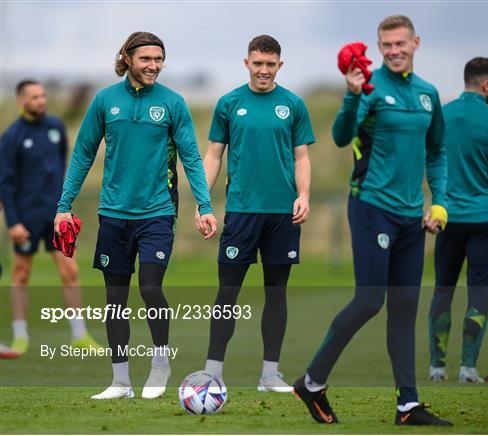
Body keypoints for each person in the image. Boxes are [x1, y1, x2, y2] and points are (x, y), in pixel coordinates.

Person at [293, 15, 452, 425]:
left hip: (411, 218)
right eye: (387, 45)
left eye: (401, 43)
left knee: (404, 309)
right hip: (371, 208)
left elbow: (437, 153)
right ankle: (311, 382)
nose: (394, 51)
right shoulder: (368, 88)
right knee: (369, 300)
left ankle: (407, 405)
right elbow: (342, 136)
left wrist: (440, 204)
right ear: (379, 48)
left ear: (416, 42)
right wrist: (351, 95)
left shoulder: (428, 95)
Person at [54, 31, 217, 400]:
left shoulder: (173, 103)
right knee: (115, 298)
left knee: (150, 288)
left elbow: (191, 157)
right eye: (146, 59)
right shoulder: (104, 101)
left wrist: (204, 207)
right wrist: (64, 207)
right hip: (113, 214)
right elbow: (82, 155)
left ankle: (161, 365)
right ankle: (121, 382)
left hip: (157, 212)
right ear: (127, 58)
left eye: (159, 59)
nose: (154, 66)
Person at [197, 35, 314, 392]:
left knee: (276, 293)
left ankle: (269, 375)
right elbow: (214, 154)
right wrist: (204, 203)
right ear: (246, 63)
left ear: (280, 65)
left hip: (282, 215)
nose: (264, 70)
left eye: (270, 64)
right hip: (241, 213)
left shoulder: (293, 104)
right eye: (258, 63)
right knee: (227, 293)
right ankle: (213, 371)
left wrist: (304, 195)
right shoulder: (229, 103)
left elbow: (301, 157)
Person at [428, 57, 488, 384]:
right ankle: (468, 368)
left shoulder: (441, 114)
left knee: (443, 290)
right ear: (486, 84)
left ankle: (436, 368)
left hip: (448, 218)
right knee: (478, 293)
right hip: (486, 220)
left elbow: (428, 161)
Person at [0, 80, 102, 355]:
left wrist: (65, 207)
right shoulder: (12, 136)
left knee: (70, 271)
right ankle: (20, 334)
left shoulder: (56, 128)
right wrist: (13, 222)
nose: (41, 101)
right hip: (26, 218)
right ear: (22, 101)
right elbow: (5, 183)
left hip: (57, 216)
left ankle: (79, 334)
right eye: (34, 97)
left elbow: (64, 168)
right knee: (21, 274)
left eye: (43, 95)